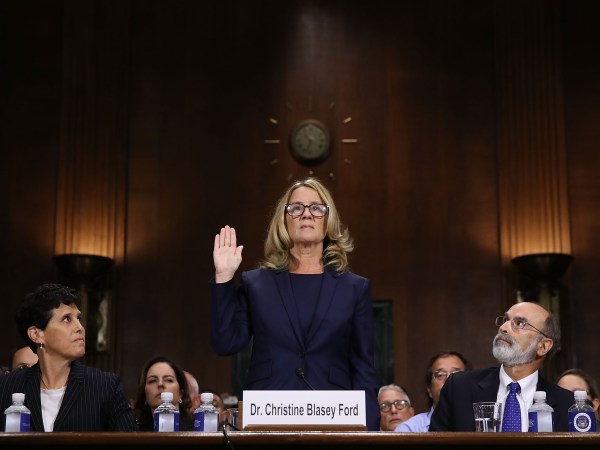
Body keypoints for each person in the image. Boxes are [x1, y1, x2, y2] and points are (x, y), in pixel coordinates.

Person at [210, 177, 381, 430]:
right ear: (284, 219)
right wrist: (224, 278)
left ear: (328, 220)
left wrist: (368, 432)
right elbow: (226, 343)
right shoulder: (256, 284)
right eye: (296, 208)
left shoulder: (354, 288)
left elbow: (364, 367)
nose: (307, 215)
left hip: (333, 419)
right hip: (268, 418)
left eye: (316, 208)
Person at [0, 283, 136, 431]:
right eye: (67, 319)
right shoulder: (7, 387)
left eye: (78, 318)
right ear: (36, 334)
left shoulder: (105, 386)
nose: (80, 327)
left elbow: (132, 443)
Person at [429, 301, 574, 431]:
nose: (503, 328)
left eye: (519, 323)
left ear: (543, 346)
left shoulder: (568, 405)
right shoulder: (459, 388)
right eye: (505, 320)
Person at [395, 350, 470, 432]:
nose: (449, 379)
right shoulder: (410, 430)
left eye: (456, 374)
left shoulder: (482, 424)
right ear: (429, 390)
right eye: (440, 375)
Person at [133, 355, 193, 431]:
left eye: (168, 380)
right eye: (153, 381)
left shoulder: (196, 431)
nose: (160, 384)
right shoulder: (135, 432)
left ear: (181, 394)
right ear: (144, 394)